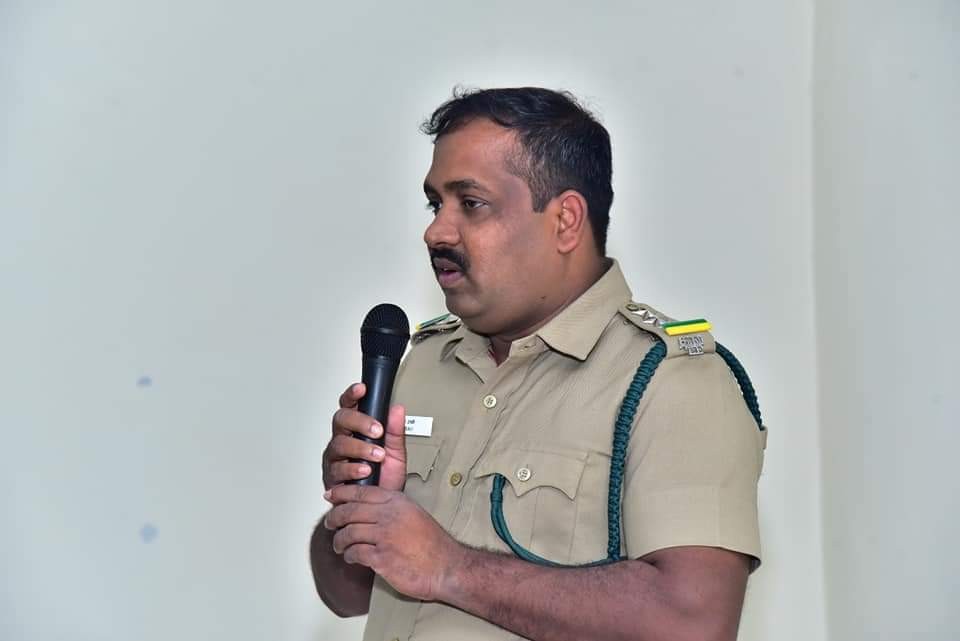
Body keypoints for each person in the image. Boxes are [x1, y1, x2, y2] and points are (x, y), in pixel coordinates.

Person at [310, 87, 766, 641]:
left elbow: (694, 622)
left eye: (470, 203)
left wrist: (450, 568)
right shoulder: (424, 362)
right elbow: (346, 594)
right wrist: (355, 508)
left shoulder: (672, 381)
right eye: (435, 204)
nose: (436, 231)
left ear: (566, 220)